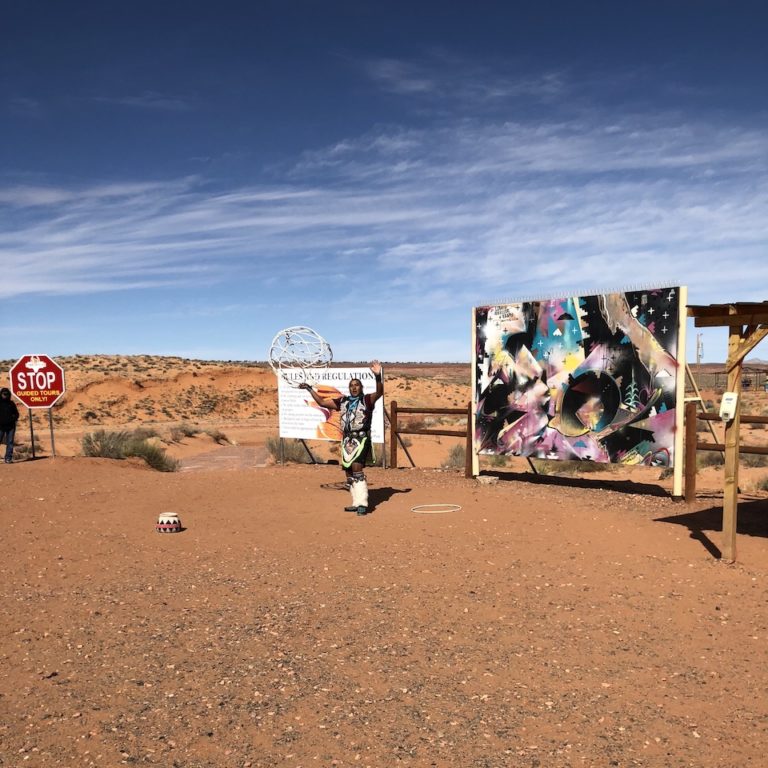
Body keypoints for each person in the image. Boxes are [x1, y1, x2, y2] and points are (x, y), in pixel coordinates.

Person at [300, 361, 383, 515]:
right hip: (347, 440)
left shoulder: (367, 401)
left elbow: (379, 393)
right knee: (349, 472)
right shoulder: (343, 401)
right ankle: (356, 501)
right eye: (351, 385)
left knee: (357, 468)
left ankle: (363, 504)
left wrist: (378, 376)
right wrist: (310, 389)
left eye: (357, 384)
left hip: (361, 438)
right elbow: (322, 402)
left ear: (361, 387)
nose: (354, 387)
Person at [0, 387, 20, 464]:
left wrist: (14, 418)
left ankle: (8, 458)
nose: (5, 395)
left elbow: (17, 414)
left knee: (10, 443)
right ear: (1, 394)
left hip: (11, 426)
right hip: (0, 426)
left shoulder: (11, 403)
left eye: (7, 394)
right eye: (4, 394)